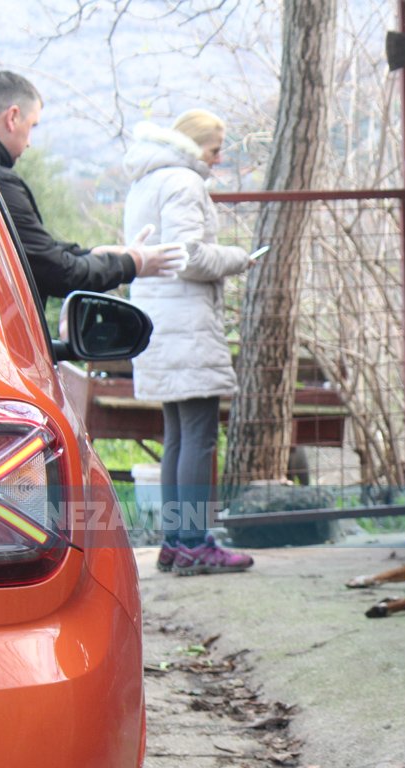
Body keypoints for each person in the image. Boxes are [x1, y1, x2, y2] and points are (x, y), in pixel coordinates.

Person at [122, 110, 256, 576]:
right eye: (215, 150)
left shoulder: (145, 181)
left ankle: (176, 541)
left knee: (178, 435)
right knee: (198, 436)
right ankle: (195, 542)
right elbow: (189, 257)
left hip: (158, 323)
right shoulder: (183, 181)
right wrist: (238, 258)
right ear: (196, 145)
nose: (218, 159)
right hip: (186, 325)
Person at [0, 71, 186, 304]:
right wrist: (133, 263)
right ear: (12, 117)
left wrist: (90, 255)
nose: (29, 142)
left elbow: (34, 250)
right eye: (32, 126)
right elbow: (56, 271)